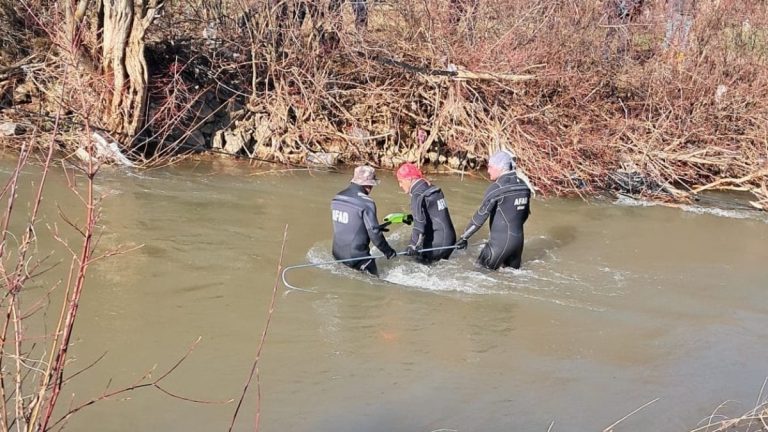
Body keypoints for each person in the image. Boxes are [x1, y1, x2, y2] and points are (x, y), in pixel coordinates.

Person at [456, 150, 532, 270]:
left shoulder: (496, 188)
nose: (488, 170)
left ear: (500, 168)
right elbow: (525, 215)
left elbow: (479, 218)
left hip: (499, 245)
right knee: (510, 282)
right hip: (518, 244)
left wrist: (463, 237)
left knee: (477, 276)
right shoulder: (524, 186)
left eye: (490, 167)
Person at [331, 165, 397, 275]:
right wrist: (389, 252)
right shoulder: (366, 202)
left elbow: (349, 225)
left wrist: (375, 227)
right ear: (369, 185)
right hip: (359, 259)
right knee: (377, 289)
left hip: (337, 255)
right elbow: (374, 234)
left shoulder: (337, 197)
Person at [396, 163, 457, 264]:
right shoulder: (432, 188)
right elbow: (433, 214)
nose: (400, 185)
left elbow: (419, 226)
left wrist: (412, 245)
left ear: (409, 179)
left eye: (401, 181)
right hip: (450, 240)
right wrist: (412, 217)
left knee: (411, 264)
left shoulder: (417, 196)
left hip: (436, 244)